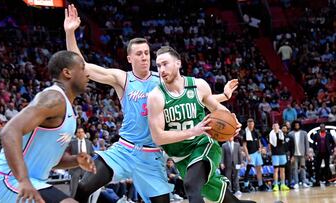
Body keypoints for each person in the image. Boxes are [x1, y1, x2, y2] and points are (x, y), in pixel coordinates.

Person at [64, 5, 238, 203]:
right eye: (139, 54)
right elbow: (82, 67)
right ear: (129, 58)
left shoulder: (162, 81)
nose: (144, 57)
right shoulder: (122, 79)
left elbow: (195, 96)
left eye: (147, 53)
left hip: (152, 156)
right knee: (84, 186)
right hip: (124, 150)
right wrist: (70, 32)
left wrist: (223, 96)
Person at [147, 46, 255, 203]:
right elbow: (158, 137)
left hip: (204, 145)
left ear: (178, 63)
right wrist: (192, 131)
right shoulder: (156, 96)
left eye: (165, 64)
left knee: (191, 186)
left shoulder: (198, 85)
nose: (161, 69)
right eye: (158, 66)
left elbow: (216, 108)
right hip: (181, 158)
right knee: (229, 200)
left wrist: (232, 119)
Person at [0, 50, 96, 203]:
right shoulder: (54, 98)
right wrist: (23, 179)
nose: (88, 73)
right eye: (83, 68)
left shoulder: (67, 107)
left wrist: (75, 160)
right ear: (67, 72)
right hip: (9, 180)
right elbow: (9, 131)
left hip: (31, 182)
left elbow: (50, 159)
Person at [241, 118, 268, 192]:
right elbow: (244, 146)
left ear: (253, 124)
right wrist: (247, 155)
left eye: (252, 123)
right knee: (248, 170)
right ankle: (246, 186)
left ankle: (260, 185)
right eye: (249, 124)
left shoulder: (256, 132)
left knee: (259, 169)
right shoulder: (245, 133)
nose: (251, 125)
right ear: (247, 124)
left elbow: (259, 141)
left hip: (257, 153)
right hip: (250, 154)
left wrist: (260, 148)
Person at [68, 127, 95, 197]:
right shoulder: (72, 142)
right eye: (79, 132)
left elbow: (92, 154)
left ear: (84, 133)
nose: (80, 133)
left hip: (86, 167)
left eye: (82, 132)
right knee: (73, 189)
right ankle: (72, 200)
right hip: (75, 167)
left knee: (85, 187)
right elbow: (67, 153)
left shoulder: (89, 143)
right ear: (76, 134)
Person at [288, 120, 311, 188]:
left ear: (300, 125)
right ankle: (296, 182)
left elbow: (307, 144)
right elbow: (289, 146)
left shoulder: (304, 133)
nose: (297, 126)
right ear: (294, 126)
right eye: (295, 125)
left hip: (302, 154)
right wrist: (290, 155)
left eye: (298, 125)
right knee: (294, 169)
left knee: (303, 168)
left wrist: (307, 153)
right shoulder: (290, 134)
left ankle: (304, 182)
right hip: (294, 154)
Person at [268, 123, 290, 191]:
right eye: (274, 126)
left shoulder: (282, 134)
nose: (275, 127)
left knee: (282, 170)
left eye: (276, 126)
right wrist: (271, 153)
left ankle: (283, 184)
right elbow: (270, 145)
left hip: (282, 154)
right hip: (275, 154)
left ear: (278, 126)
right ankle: (276, 185)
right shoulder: (271, 135)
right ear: (272, 127)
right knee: (276, 170)